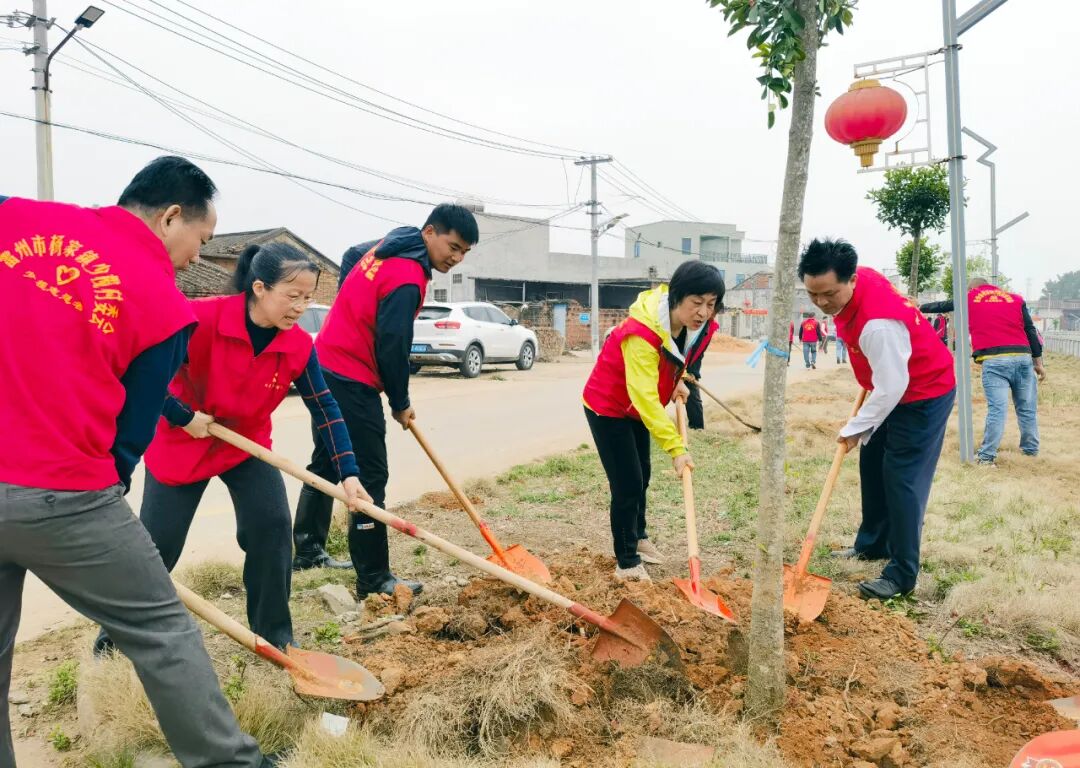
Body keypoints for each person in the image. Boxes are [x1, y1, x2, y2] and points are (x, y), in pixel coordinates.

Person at [0, 157, 270, 766]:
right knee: (161, 633)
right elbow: (131, 435)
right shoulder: (164, 307)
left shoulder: (14, 217)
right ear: (171, 215)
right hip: (65, 495)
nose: (197, 258)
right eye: (200, 240)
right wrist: (103, 490)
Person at [94, 242, 371, 656]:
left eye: (309, 298)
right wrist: (180, 414)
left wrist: (349, 473)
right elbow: (140, 368)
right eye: (292, 296)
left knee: (272, 529)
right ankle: (112, 641)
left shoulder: (297, 345)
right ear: (259, 287)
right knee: (159, 546)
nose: (300, 307)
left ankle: (274, 635)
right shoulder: (201, 318)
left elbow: (326, 409)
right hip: (183, 438)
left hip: (246, 444)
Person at [296, 204, 479, 597]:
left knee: (328, 460)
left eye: (464, 251)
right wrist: (400, 400)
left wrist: (351, 311)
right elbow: (394, 344)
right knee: (369, 475)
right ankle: (374, 579)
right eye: (453, 246)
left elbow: (348, 254)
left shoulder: (392, 243)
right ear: (430, 232)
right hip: (349, 377)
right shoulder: (407, 276)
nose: (456, 257)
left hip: (325, 362)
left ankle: (308, 550)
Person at [799, 239, 955, 601]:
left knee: (902, 477)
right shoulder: (862, 279)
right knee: (872, 463)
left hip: (923, 392)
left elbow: (892, 386)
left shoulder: (878, 324)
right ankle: (872, 544)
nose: (822, 303)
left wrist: (854, 428)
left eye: (829, 294)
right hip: (891, 386)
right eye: (813, 294)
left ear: (851, 280)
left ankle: (901, 574)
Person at [582, 261, 724, 581]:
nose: (703, 312)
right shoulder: (641, 333)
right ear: (677, 296)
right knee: (627, 483)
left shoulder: (692, 327)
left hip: (635, 406)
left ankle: (639, 537)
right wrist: (675, 448)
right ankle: (627, 562)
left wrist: (678, 379)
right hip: (608, 405)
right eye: (696, 302)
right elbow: (644, 396)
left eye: (711, 304)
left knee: (642, 474)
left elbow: (677, 355)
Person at [920, 279, 1045, 465]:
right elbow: (1029, 329)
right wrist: (1038, 361)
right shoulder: (1015, 299)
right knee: (1027, 408)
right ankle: (1030, 451)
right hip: (1022, 356)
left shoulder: (970, 297)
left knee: (997, 410)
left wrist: (919, 307)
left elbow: (942, 305)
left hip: (995, 360)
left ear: (971, 288)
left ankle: (987, 457)